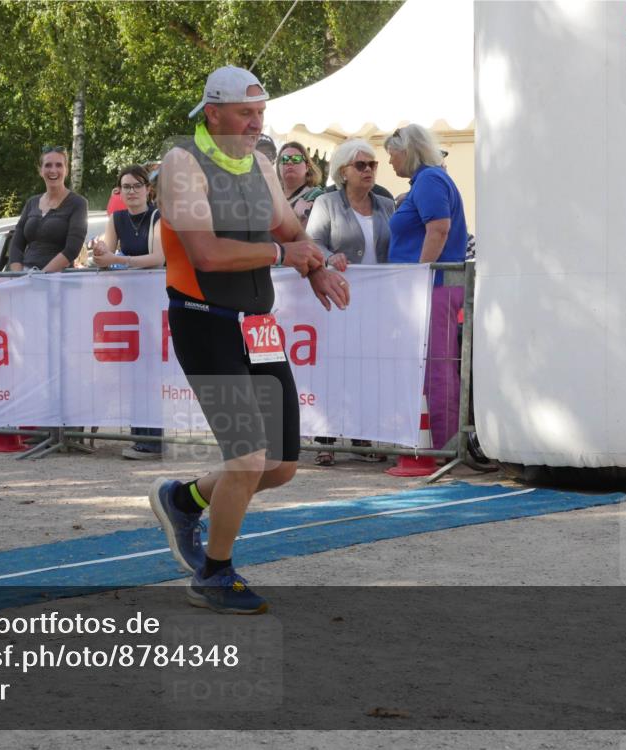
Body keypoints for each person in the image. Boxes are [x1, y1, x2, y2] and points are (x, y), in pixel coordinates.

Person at [152, 65, 349, 614]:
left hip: (257, 325)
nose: (255, 123)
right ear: (212, 113)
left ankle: (184, 499)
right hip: (203, 317)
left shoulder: (262, 164)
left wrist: (316, 268)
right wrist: (283, 256)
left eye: (261, 113)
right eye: (244, 113)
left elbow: (289, 231)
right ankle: (214, 575)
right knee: (245, 459)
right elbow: (208, 254)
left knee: (280, 465)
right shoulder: (180, 165)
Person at [306, 138, 396, 466]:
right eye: (361, 165)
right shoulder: (327, 203)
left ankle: (362, 435)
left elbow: (396, 244)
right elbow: (313, 241)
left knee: (368, 368)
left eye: (373, 164)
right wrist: (331, 257)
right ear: (344, 171)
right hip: (340, 297)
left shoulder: (386, 204)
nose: (369, 170)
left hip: (378, 301)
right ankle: (325, 440)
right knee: (336, 367)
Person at [385, 124, 468, 451]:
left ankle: (445, 443)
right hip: (437, 286)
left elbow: (439, 229)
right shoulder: (429, 181)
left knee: (437, 366)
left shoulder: (430, 180)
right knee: (439, 365)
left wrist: (420, 273)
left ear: (407, 151)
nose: (390, 162)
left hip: (435, 287)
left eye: (392, 154)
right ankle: (443, 440)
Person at [88, 165, 166, 459]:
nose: (131, 191)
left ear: (148, 189)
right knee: (134, 371)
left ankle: (152, 440)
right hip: (128, 305)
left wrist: (117, 258)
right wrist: (98, 255)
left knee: (151, 372)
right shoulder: (117, 218)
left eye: (136, 185)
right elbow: (105, 255)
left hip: (154, 302)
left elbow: (158, 258)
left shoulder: (159, 217)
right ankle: (140, 437)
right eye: (126, 186)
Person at [8, 146, 89, 272]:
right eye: (48, 165)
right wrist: (19, 277)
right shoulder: (31, 202)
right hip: (25, 279)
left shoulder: (78, 203)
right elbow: (16, 245)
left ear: (66, 170)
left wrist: (41, 276)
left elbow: (72, 250)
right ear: (40, 170)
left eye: (59, 165)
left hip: (58, 282)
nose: (53, 170)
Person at [276, 141, 324, 228]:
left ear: (307, 166)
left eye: (296, 159)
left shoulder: (317, 197)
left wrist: (304, 216)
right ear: (278, 167)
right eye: (284, 159)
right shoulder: (271, 197)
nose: (289, 162)